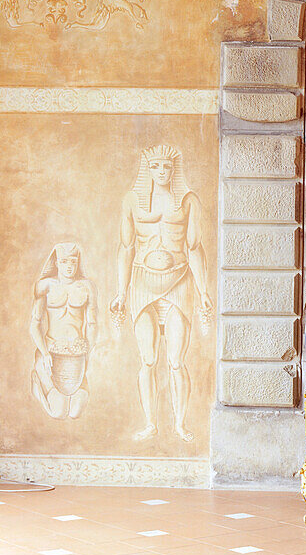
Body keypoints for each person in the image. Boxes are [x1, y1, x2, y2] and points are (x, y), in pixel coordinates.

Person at [110, 145, 212, 442]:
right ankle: (150, 422)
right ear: (148, 169)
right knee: (148, 359)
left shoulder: (188, 201)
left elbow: (194, 248)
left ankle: (180, 423)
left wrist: (203, 290)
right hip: (142, 283)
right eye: (155, 166)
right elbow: (126, 248)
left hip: (179, 281)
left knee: (177, 360)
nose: (161, 172)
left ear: (174, 169)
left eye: (166, 166)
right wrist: (120, 291)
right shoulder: (132, 201)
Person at [30, 243, 97, 420]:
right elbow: (34, 325)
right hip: (52, 352)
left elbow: (92, 324)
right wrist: (44, 353)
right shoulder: (45, 286)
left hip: (77, 355)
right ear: (57, 263)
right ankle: (38, 379)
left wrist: (87, 353)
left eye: (73, 261)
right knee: (58, 413)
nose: (69, 266)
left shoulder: (87, 287)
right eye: (64, 261)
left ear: (78, 263)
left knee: (75, 413)